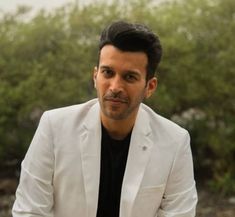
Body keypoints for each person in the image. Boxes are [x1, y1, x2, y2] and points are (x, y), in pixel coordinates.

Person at [12, 20, 198, 217]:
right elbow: (29, 211)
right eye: (108, 72)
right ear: (95, 76)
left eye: (129, 77)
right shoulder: (54, 127)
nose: (115, 87)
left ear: (150, 87)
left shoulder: (175, 142)